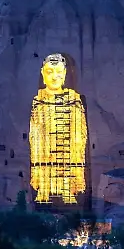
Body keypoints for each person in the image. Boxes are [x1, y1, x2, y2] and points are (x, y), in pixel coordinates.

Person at [29, 53, 88, 205]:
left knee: (68, 166)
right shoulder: (39, 100)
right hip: (46, 149)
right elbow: (35, 130)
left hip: (67, 147)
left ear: (65, 74)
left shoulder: (74, 99)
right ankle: (43, 191)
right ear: (43, 74)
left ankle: (68, 192)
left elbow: (80, 129)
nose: (55, 77)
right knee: (44, 163)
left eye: (59, 72)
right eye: (50, 72)